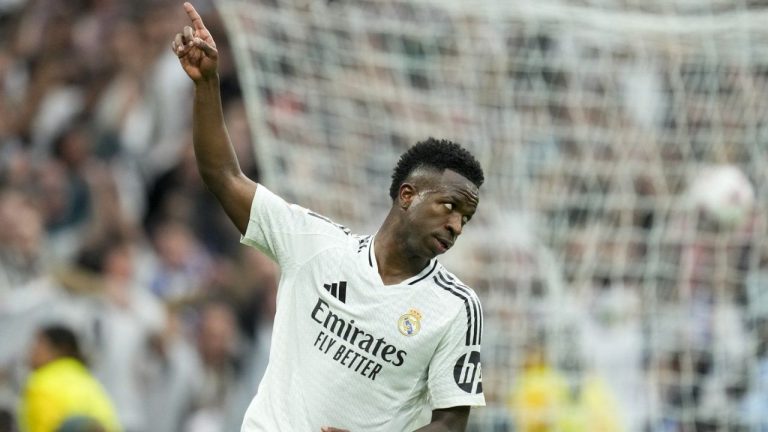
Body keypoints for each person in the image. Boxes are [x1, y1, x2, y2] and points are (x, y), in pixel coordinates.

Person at [172, 3, 485, 431]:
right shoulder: (315, 244)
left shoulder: (456, 307)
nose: (455, 225)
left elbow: (450, 425)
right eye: (449, 206)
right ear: (408, 196)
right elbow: (223, 176)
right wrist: (207, 85)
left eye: (466, 217)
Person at [18, 325, 120, 432]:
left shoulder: (42, 383)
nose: (30, 351)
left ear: (60, 349)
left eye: (38, 345)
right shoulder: (85, 379)